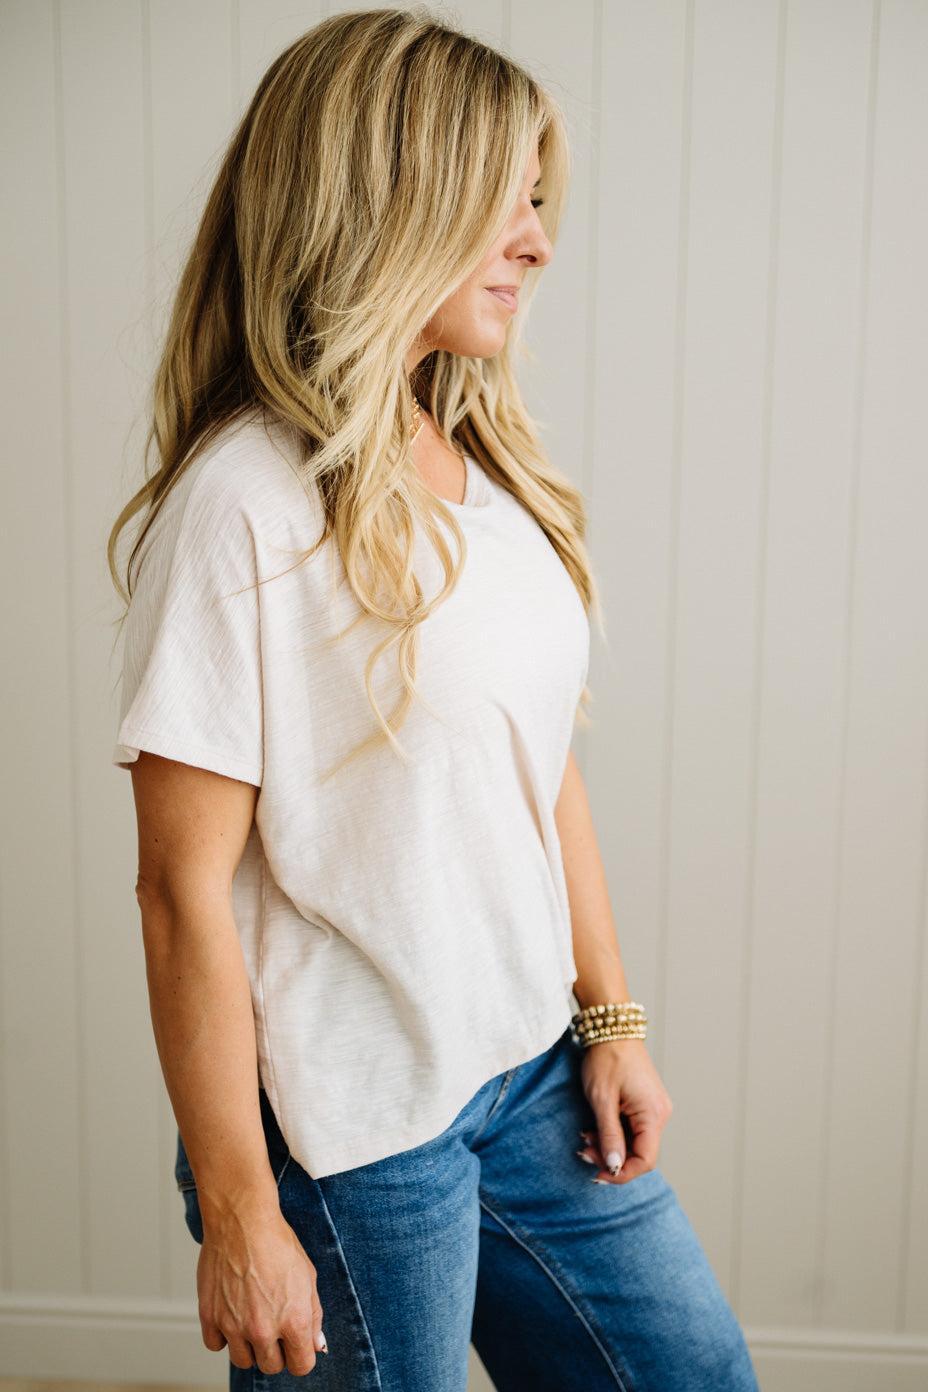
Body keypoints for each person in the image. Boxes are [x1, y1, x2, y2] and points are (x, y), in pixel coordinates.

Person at [107, 8, 761, 1390]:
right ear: (383, 202)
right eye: (500, 201)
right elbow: (180, 894)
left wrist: (610, 1019)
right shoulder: (242, 506)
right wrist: (240, 1212)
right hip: (350, 1126)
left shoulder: (476, 465)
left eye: (538, 201)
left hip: (526, 1070)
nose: (535, 238)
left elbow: (541, 774)